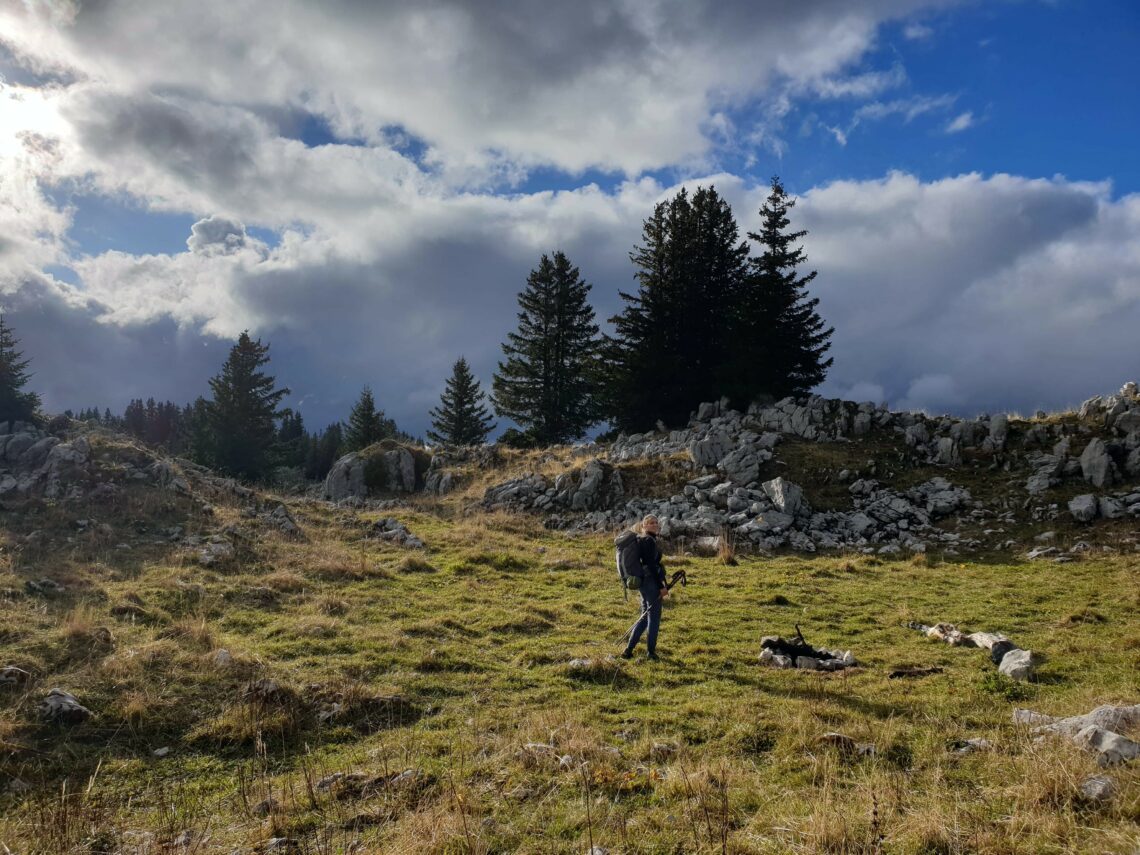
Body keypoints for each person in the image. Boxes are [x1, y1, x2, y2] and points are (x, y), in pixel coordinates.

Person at [621, 514, 667, 661]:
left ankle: (628, 650)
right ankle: (651, 652)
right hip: (650, 582)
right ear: (644, 526)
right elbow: (651, 565)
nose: (654, 525)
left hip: (643, 581)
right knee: (653, 617)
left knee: (644, 615)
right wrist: (661, 587)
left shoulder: (642, 539)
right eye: (650, 523)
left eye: (656, 522)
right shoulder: (648, 540)